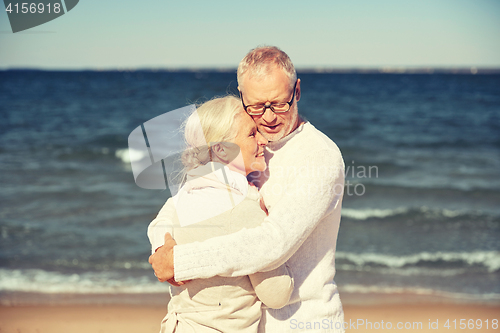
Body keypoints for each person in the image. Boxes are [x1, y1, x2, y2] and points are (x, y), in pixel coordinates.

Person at [149, 46, 346, 333]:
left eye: (279, 103)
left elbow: (271, 243)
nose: (267, 118)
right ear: (241, 95)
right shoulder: (242, 148)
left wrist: (181, 261)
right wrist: (160, 247)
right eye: (256, 106)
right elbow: (175, 206)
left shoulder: (319, 156)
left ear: (297, 91)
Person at [148, 96, 294, 333]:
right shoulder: (246, 211)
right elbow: (277, 293)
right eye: (251, 134)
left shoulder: (182, 198)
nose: (263, 140)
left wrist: (159, 249)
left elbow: (158, 225)